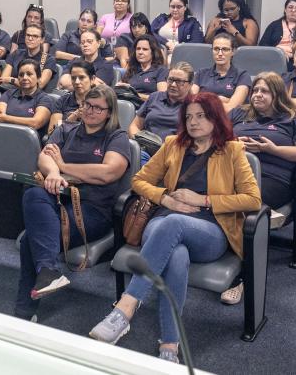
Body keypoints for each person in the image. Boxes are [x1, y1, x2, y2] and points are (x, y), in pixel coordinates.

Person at [89, 92, 261, 364]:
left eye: (201, 116)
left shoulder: (232, 151)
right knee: (176, 251)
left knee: (175, 223)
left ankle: (125, 308)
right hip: (161, 223)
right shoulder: (173, 144)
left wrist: (203, 200)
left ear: (216, 118)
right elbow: (139, 181)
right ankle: (170, 344)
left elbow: (253, 200)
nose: (193, 122)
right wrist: (165, 198)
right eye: (189, 117)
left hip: (211, 231)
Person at [14, 86, 130, 321]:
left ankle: (24, 312)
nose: (91, 111)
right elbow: (44, 157)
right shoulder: (66, 129)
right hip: (55, 202)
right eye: (87, 105)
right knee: (33, 193)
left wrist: (63, 167)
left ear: (109, 113)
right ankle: (48, 271)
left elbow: (108, 173)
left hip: (93, 210)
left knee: (29, 240)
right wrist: (54, 173)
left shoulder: (117, 137)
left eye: (98, 108)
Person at [222, 72, 296, 304]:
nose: (257, 95)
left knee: (238, 207)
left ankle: (242, 277)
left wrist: (271, 150)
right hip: (231, 175)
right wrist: (232, 144)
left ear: (277, 95)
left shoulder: (292, 118)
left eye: (264, 91)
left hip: (271, 178)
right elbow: (213, 137)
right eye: (255, 90)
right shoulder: (239, 113)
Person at [130, 62, 194, 141]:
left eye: (179, 81)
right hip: (145, 146)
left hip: (172, 150)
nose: (173, 84)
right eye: (170, 80)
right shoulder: (154, 97)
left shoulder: (193, 106)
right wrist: (139, 141)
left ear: (190, 84)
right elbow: (134, 125)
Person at [0, 59, 54, 137]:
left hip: (26, 142)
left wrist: (6, 118)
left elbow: (36, 123)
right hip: (3, 136)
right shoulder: (8, 93)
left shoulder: (44, 99)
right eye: (21, 75)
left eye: (29, 74)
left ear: (38, 77)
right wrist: (25, 121)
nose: (24, 78)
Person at [192, 34, 252, 112]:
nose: (220, 53)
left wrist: (204, 100)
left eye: (225, 49)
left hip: (229, 120)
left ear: (233, 51)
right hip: (202, 118)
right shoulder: (201, 73)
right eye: (216, 49)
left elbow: (231, 108)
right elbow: (191, 101)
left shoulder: (242, 75)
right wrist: (221, 100)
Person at [1, 23, 57, 90]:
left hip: (33, 98)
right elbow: (4, 79)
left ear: (42, 40)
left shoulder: (48, 59)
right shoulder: (16, 53)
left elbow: (39, 85)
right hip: (11, 93)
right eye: (28, 35)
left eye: (35, 36)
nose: (30, 38)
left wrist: (13, 81)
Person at [49, 59, 95, 134]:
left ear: (92, 79)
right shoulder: (62, 101)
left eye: (81, 77)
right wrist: (74, 116)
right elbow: (51, 133)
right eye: (73, 78)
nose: (76, 82)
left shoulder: (101, 102)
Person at [119, 35, 168, 101]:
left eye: (145, 49)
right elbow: (120, 86)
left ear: (153, 52)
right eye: (138, 49)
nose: (140, 52)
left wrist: (134, 95)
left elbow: (162, 97)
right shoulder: (132, 69)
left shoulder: (161, 70)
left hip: (148, 107)